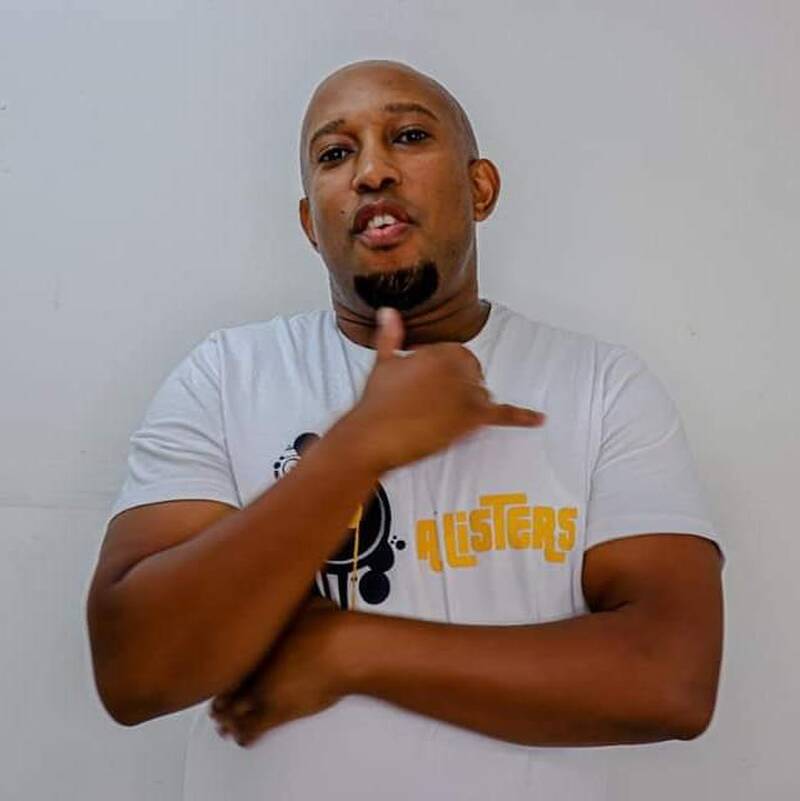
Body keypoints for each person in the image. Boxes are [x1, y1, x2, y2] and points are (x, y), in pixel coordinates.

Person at [86, 59, 725, 800]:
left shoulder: (601, 385)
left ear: (480, 188)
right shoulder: (226, 375)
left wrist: (348, 648)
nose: (372, 172)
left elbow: (671, 679)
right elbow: (136, 671)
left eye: (410, 136)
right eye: (336, 153)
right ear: (310, 222)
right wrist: (361, 444)